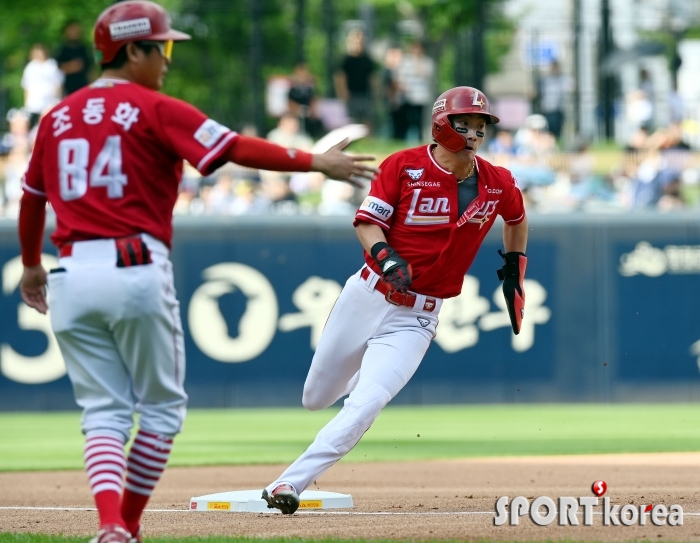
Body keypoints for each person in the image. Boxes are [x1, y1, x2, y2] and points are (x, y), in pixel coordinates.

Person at [16, 2, 377, 542]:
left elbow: (31, 197)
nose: (166, 58)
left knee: (103, 414)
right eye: (160, 48)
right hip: (135, 268)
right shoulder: (154, 107)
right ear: (132, 50)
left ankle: (112, 526)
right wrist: (314, 161)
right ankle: (126, 528)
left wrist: (29, 265)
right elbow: (233, 148)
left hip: (69, 276)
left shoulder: (57, 117)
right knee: (161, 411)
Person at [261, 86, 528, 514]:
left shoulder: (496, 181)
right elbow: (367, 223)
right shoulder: (404, 166)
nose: (476, 133)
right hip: (367, 295)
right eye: (467, 123)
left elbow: (516, 217)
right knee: (315, 397)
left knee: (368, 402)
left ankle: (290, 482)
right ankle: (358, 377)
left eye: (481, 124)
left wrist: (515, 267)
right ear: (443, 125)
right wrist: (386, 258)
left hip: (417, 317)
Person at [394, 40, 435, 143]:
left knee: (419, 122)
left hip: (420, 97)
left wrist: (418, 61)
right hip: (407, 97)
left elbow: (425, 74)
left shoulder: (427, 62)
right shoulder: (405, 62)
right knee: (406, 121)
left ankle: (419, 140)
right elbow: (399, 77)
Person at [334, 29, 376, 129]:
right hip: (351, 93)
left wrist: (375, 93)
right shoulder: (346, 60)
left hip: (365, 93)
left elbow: (372, 78)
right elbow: (340, 77)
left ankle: (367, 140)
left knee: (367, 118)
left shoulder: (367, 59)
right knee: (351, 119)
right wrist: (343, 93)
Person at [21, 44, 64, 130]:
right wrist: (26, 103)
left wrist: (58, 99)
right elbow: (26, 86)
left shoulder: (52, 65)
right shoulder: (30, 67)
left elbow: (58, 83)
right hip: (34, 104)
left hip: (50, 104)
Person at [55, 20, 93, 96]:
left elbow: (90, 70)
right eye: (72, 29)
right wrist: (71, 66)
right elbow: (57, 70)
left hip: (83, 88)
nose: (75, 32)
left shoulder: (84, 49)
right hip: (67, 90)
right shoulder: (62, 50)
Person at [536, 59, 570, 139]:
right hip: (547, 109)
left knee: (557, 128)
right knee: (547, 128)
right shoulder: (545, 80)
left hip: (558, 109)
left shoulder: (562, 79)